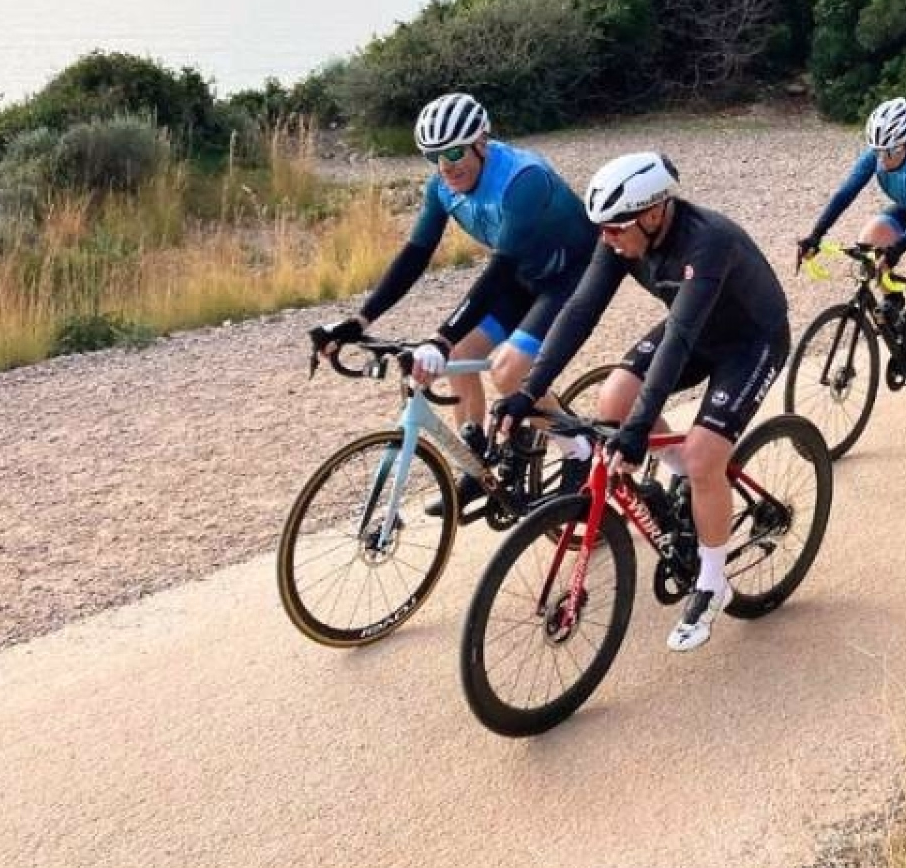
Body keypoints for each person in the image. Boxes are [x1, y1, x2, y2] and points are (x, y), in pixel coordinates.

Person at [493, 152, 790, 654]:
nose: (607, 239)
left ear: (654, 215)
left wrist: (636, 432)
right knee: (613, 397)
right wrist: (527, 390)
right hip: (694, 329)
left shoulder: (707, 242)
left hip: (751, 340)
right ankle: (681, 494)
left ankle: (713, 580)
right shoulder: (620, 239)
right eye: (602, 230)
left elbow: (677, 339)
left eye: (615, 229)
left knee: (701, 457)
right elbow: (580, 312)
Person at [308, 92, 597, 515]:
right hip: (521, 275)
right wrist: (359, 319)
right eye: (434, 156)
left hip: (569, 274)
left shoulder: (523, 179)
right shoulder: (442, 187)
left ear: (482, 142)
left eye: (456, 152)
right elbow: (415, 255)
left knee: (508, 372)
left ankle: (579, 449)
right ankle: (477, 466)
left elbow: (498, 269)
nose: (447, 165)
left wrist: (440, 337)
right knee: (462, 354)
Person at [796, 96, 906, 419]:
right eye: (878, 151)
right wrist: (815, 236)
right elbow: (844, 194)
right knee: (867, 242)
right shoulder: (877, 156)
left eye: (889, 152)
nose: (883, 159)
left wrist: (895, 251)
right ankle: (892, 299)